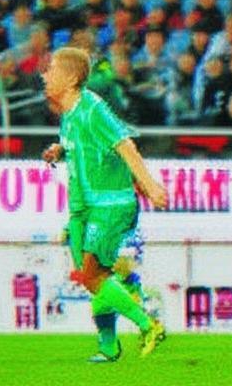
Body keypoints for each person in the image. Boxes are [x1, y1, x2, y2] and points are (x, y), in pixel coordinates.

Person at [41, 47, 168, 362]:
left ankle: (148, 324)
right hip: (82, 209)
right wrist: (60, 150)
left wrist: (150, 186)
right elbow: (83, 145)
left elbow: (125, 146)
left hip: (109, 204)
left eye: (52, 69)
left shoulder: (93, 109)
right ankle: (109, 345)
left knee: (92, 275)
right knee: (94, 279)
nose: (45, 75)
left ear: (71, 78)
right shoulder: (69, 114)